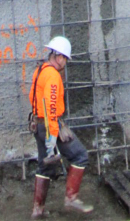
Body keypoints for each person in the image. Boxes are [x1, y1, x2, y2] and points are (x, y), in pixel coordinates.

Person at [27, 35, 92, 216]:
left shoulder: (40, 70)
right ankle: (71, 199)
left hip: (37, 124)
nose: (65, 62)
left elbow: (34, 99)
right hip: (49, 126)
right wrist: (52, 137)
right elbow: (51, 107)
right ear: (58, 56)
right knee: (80, 155)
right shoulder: (54, 76)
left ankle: (37, 210)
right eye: (64, 58)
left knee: (45, 167)